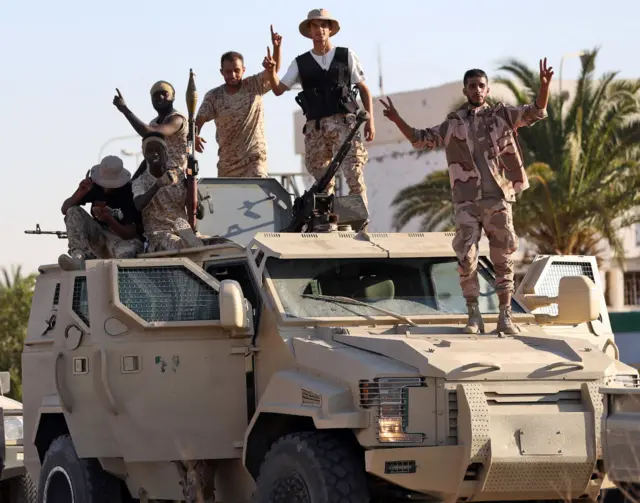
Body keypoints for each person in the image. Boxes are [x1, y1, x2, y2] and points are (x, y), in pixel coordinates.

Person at [380, 59, 554, 335]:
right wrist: (396, 119)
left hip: (498, 199)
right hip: (467, 202)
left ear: (487, 89)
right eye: (472, 86)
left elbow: (536, 112)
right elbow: (419, 138)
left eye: (481, 85)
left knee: (503, 258)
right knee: (466, 257)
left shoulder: (502, 116)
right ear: (465, 90)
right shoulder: (453, 124)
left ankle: (505, 315)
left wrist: (544, 87)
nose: (477, 90)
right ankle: (473, 314)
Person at [263, 8, 375, 209]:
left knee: (354, 174)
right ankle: (327, 224)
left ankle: (361, 222)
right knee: (322, 181)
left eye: (323, 25)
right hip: (316, 129)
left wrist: (370, 122)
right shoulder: (301, 63)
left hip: (345, 125)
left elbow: (363, 89)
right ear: (309, 31)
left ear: (330, 29)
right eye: (314, 26)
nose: (319, 30)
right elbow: (278, 89)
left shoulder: (345, 55)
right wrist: (271, 72)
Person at [194, 26, 283, 178]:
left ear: (243, 70)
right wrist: (195, 135)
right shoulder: (214, 96)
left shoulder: (253, 85)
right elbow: (199, 120)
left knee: (259, 192)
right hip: (228, 164)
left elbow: (272, 72)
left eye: (237, 70)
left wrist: (276, 48)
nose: (233, 75)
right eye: (228, 71)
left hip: (254, 159)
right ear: (221, 72)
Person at [58, 155, 143, 270]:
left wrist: (109, 219)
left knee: (126, 256)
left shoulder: (129, 192)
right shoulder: (93, 186)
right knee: (73, 211)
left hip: (121, 240)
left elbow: (130, 233)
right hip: (99, 234)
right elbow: (66, 209)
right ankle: (78, 257)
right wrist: (81, 192)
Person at [132, 132, 203, 252]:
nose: (155, 153)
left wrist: (192, 187)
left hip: (183, 231)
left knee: (216, 244)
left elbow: (200, 213)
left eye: (158, 149)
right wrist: (158, 185)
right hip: (158, 235)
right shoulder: (140, 181)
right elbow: (138, 205)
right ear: (145, 156)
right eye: (150, 150)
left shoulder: (179, 175)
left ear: (165, 153)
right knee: (178, 245)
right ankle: (190, 242)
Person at [113, 81, 188, 172]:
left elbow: (151, 132)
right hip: (154, 175)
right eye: (155, 95)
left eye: (165, 94)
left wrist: (125, 109)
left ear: (173, 97)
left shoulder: (177, 119)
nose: (160, 97)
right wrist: (131, 181)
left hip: (173, 178)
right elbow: (148, 160)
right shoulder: (153, 123)